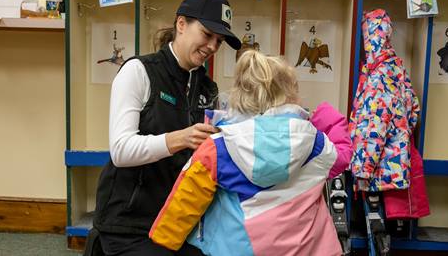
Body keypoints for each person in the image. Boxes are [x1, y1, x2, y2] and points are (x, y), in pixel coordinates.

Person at [149, 50, 351, 256]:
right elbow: (342, 156)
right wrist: (328, 116)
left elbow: (186, 199)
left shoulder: (218, 147)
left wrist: (166, 238)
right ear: (290, 95)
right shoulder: (314, 142)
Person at [91, 0, 241, 256]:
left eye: (219, 41)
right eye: (207, 35)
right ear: (181, 24)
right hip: (129, 225)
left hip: (179, 221)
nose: (213, 47)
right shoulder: (137, 72)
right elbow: (121, 150)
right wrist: (180, 138)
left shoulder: (208, 87)